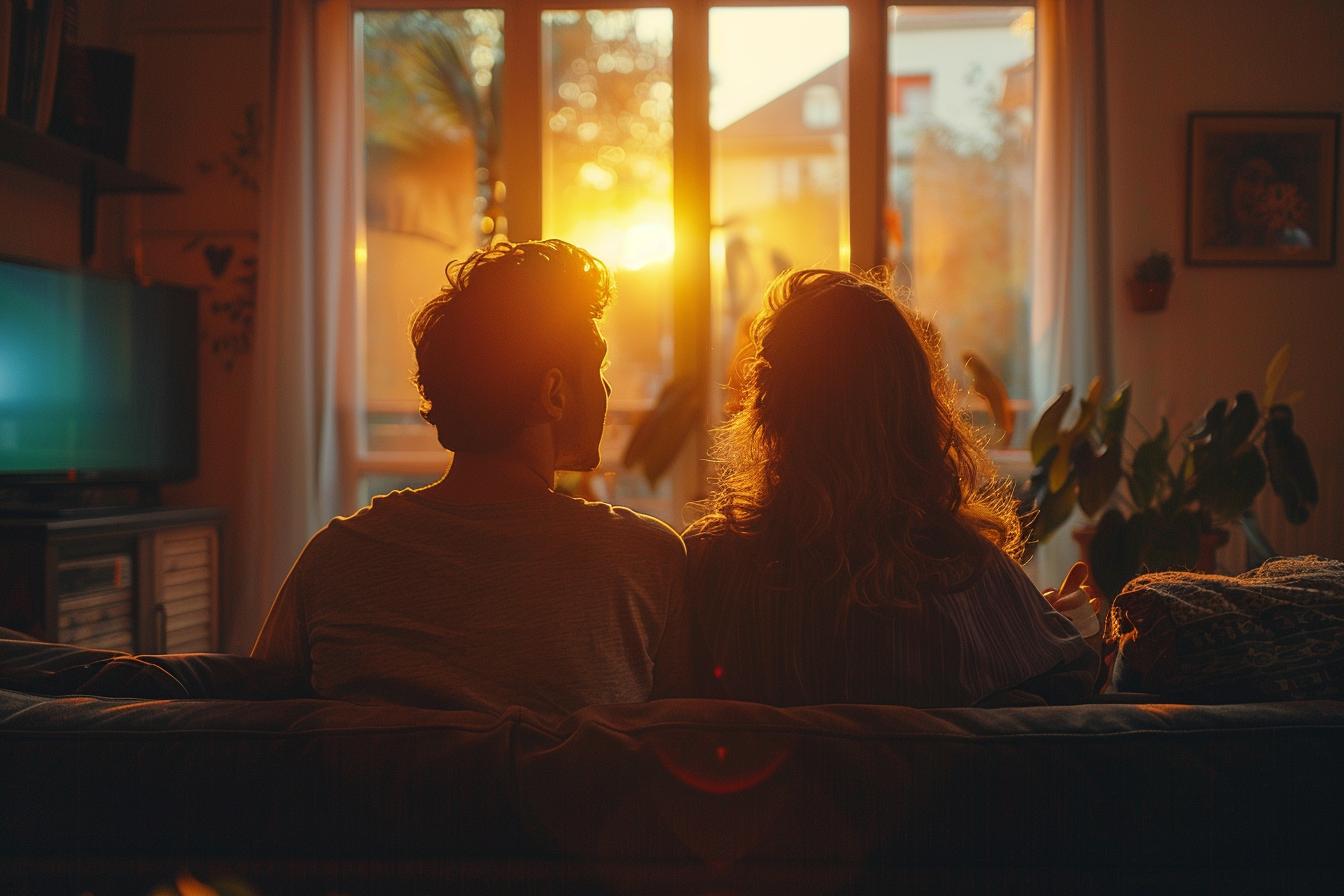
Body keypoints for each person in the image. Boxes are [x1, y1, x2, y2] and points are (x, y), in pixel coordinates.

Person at [252, 239, 691, 717]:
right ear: (554, 393)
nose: (606, 389)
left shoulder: (333, 558)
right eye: (599, 368)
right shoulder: (644, 560)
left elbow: (257, 720)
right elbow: (688, 739)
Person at [683, 269, 1100, 708]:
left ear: (768, 408)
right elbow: (1066, 695)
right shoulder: (966, 571)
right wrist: (1066, 631)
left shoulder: (709, 565)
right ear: (918, 414)